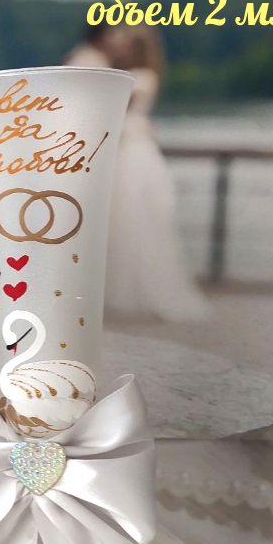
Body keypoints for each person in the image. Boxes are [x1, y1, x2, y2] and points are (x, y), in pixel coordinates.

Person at [65, 23, 209, 321]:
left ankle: (126, 289)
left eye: (128, 43)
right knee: (122, 219)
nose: (121, 46)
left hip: (131, 152)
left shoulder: (140, 77)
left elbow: (114, 101)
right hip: (126, 150)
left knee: (133, 216)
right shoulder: (128, 74)